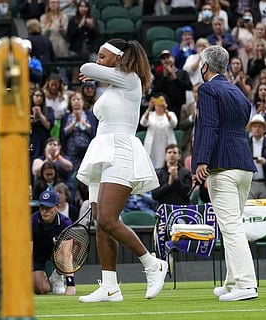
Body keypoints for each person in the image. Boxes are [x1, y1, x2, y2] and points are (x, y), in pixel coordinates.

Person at [76, 38, 167, 302]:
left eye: (102, 56)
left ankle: (153, 264)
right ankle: (110, 286)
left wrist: (94, 71)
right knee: (100, 223)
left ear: (118, 58)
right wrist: (98, 72)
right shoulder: (113, 87)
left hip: (122, 151)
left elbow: (87, 68)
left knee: (107, 218)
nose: (97, 61)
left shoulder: (131, 79)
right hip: (102, 153)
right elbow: (93, 70)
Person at [192, 45, 258, 301]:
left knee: (231, 227)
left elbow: (209, 126)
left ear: (205, 67)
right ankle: (232, 281)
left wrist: (201, 161)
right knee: (233, 225)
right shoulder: (239, 92)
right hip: (244, 164)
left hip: (222, 167)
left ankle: (246, 284)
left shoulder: (207, 89)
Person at [31, 190, 76, 295]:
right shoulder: (31, 222)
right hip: (37, 254)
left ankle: (57, 277)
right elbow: (27, 252)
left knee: (64, 253)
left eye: (48, 208)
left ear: (57, 208)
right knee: (41, 289)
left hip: (56, 254)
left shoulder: (65, 223)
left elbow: (66, 254)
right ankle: (44, 281)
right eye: (42, 207)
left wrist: (71, 285)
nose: (44, 211)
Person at [139, 94, 178, 169]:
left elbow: (174, 123)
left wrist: (166, 111)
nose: (159, 105)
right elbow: (143, 123)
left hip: (167, 144)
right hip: (153, 146)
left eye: (161, 102)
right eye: (157, 102)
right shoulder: (150, 115)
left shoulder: (170, 114)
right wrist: (149, 108)